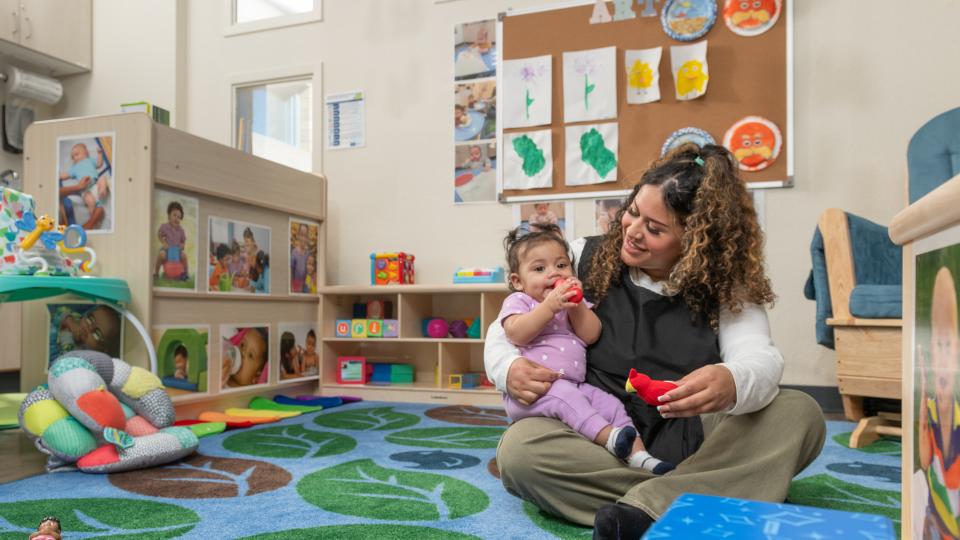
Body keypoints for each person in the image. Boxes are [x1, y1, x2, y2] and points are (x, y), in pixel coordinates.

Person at [486, 143, 826, 538]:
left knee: (799, 413)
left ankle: (655, 506)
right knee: (520, 451)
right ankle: (716, 491)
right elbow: (509, 321)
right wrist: (506, 368)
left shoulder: (727, 288)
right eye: (632, 212)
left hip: (693, 438)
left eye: (655, 229)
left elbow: (760, 359)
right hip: (600, 435)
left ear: (697, 239)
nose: (632, 231)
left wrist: (732, 379)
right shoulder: (581, 255)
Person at [499, 224, 673, 474]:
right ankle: (610, 440)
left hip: (574, 385)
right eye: (539, 268)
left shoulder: (572, 304)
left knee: (612, 405)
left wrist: (576, 306)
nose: (553, 273)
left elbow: (591, 335)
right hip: (536, 391)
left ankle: (640, 457)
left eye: (561, 265)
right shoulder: (520, 301)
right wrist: (548, 307)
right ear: (518, 281)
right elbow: (516, 332)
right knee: (566, 398)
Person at [918, 266, 960, 538]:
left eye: (949, 348)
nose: (943, 361)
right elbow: (924, 461)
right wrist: (922, 400)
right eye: (938, 347)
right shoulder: (930, 409)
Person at [59, 142, 107, 230]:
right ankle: (94, 215)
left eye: (77, 154)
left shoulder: (90, 160)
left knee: (103, 178)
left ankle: (102, 191)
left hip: (96, 184)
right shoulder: (74, 167)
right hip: (86, 190)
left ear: (86, 153)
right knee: (89, 200)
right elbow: (65, 175)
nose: (74, 158)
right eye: (73, 157)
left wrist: (100, 154)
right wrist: (58, 175)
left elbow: (99, 164)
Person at [153, 201, 188, 280]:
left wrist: (182, 246)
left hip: (177, 251)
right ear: (169, 216)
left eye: (179, 217)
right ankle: (156, 273)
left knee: (184, 256)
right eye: (174, 215)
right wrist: (163, 242)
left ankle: (185, 274)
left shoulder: (181, 230)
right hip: (167, 250)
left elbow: (183, 241)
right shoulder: (165, 227)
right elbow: (159, 235)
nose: (177, 218)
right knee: (161, 254)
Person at [291, 223, 309, 293]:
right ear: (298, 236)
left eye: (305, 236)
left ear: (307, 238)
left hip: (305, 287)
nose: (303, 238)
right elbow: (291, 272)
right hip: (296, 287)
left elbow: (309, 273)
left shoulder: (308, 254)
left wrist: (307, 286)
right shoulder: (294, 253)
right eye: (301, 235)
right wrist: (291, 287)